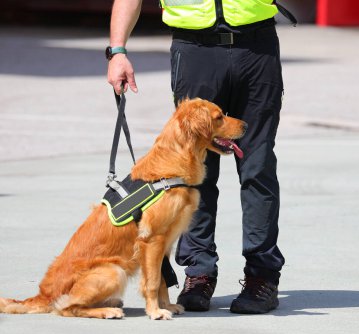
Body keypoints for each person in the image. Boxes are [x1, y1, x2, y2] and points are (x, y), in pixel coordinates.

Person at [107, 0, 291, 314]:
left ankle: (262, 276)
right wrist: (117, 51)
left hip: (257, 49)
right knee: (192, 170)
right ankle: (199, 272)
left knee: (257, 167)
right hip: (194, 52)